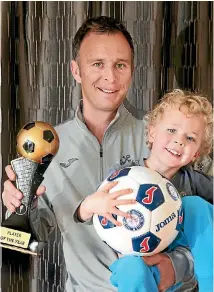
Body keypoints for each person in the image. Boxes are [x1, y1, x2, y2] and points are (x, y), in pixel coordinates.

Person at [1, 16, 211, 292]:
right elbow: (21, 247)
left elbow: (206, 223)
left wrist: (177, 266)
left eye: (120, 65)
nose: (110, 77)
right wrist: (16, 209)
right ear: (76, 70)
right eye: (97, 64)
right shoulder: (48, 145)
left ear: (132, 70)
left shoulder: (165, 133)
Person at [106, 89, 213, 292]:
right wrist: (94, 205)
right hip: (142, 263)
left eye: (190, 138)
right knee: (130, 269)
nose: (179, 140)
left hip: (182, 268)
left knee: (195, 206)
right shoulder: (123, 176)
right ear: (152, 132)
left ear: (196, 153)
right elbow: (96, 209)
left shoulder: (194, 181)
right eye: (172, 130)